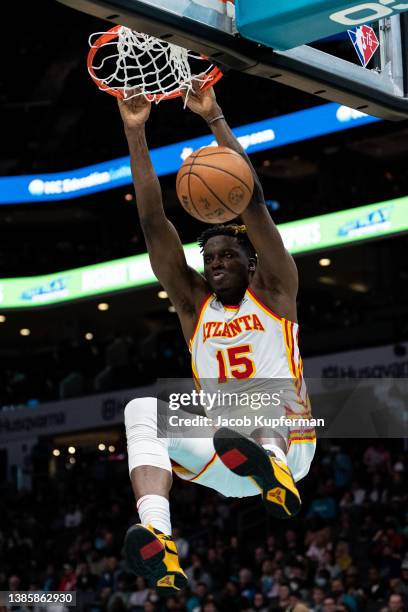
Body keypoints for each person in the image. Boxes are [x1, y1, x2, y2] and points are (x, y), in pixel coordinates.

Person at [120, 80, 316, 593]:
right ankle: (159, 540)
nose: (217, 263)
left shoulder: (275, 292)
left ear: (252, 264)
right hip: (229, 461)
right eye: (209, 259)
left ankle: (273, 470)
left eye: (229, 255)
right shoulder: (194, 306)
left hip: (291, 445)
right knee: (141, 410)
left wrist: (214, 118)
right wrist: (134, 130)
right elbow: (151, 221)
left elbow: (253, 205)